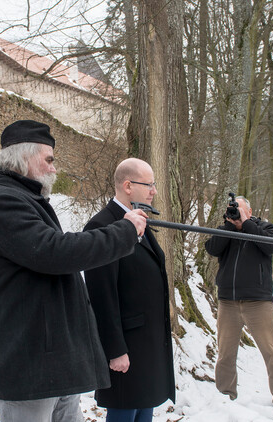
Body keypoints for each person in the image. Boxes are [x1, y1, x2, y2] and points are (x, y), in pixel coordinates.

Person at [0, 120, 149, 422]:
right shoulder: (3, 203)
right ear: (24, 157)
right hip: (28, 366)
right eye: (49, 159)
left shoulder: (27, 200)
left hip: (53, 362)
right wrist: (123, 232)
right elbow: (55, 252)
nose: (54, 168)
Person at [83, 158, 175, 422]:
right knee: (125, 412)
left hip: (146, 342)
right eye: (149, 184)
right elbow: (101, 294)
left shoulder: (139, 221)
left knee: (144, 411)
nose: (154, 191)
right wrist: (115, 349)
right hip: (126, 346)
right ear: (127, 185)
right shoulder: (102, 226)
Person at [204, 195, 273, 419]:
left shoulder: (265, 228)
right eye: (232, 210)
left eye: (239, 210)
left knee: (272, 352)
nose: (235, 213)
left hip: (258, 302)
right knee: (225, 353)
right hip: (228, 302)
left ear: (250, 211)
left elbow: (270, 247)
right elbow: (212, 249)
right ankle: (225, 394)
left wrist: (246, 224)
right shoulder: (226, 230)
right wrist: (229, 226)